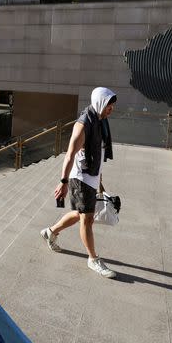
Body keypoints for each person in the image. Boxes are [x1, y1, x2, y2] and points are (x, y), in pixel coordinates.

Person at [40, 87, 117, 278]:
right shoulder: (83, 125)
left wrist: (99, 177)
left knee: (79, 213)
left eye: (112, 106)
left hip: (91, 176)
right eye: (109, 105)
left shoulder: (100, 121)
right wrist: (63, 182)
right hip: (80, 178)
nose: (111, 109)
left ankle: (50, 232)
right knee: (87, 219)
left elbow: (97, 151)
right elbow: (70, 155)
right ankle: (93, 259)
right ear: (100, 102)